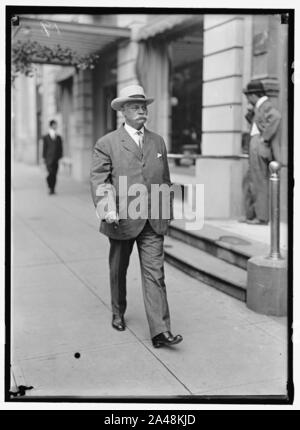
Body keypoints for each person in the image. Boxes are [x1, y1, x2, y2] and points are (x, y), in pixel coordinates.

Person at [90, 85, 183, 349]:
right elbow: (99, 178)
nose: (141, 110)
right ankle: (117, 311)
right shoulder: (107, 143)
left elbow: (164, 178)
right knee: (119, 270)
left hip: (153, 220)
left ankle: (160, 331)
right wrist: (107, 209)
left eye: (143, 106)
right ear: (123, 112)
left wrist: (166, 213)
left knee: (156, 274)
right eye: (134, 106)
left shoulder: (158, 141)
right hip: (121, 220)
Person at [241, 79, 281, 225]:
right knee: (251, 179)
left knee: (258, 181)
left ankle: (262, 217)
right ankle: (252, 214)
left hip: (259, 144)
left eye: (248, 96)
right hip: (256, 144)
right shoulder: (259, 106)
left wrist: (265, 138)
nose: (247, 99)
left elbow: (276, 117)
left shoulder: (265, 105)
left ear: (253, 95)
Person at [42, 120, 63, 195]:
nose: (56, 126)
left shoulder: (59, 137)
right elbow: (44, 148)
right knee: (50, 173)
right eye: (55, 125)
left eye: (56, 125)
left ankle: (52, 189)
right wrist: (44, 158)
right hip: (48, 159)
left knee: (54, 174)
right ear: (51, 125)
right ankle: (50, 185)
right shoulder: (46, 137)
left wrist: (60, 156)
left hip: (56, 159)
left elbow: (60, 148)